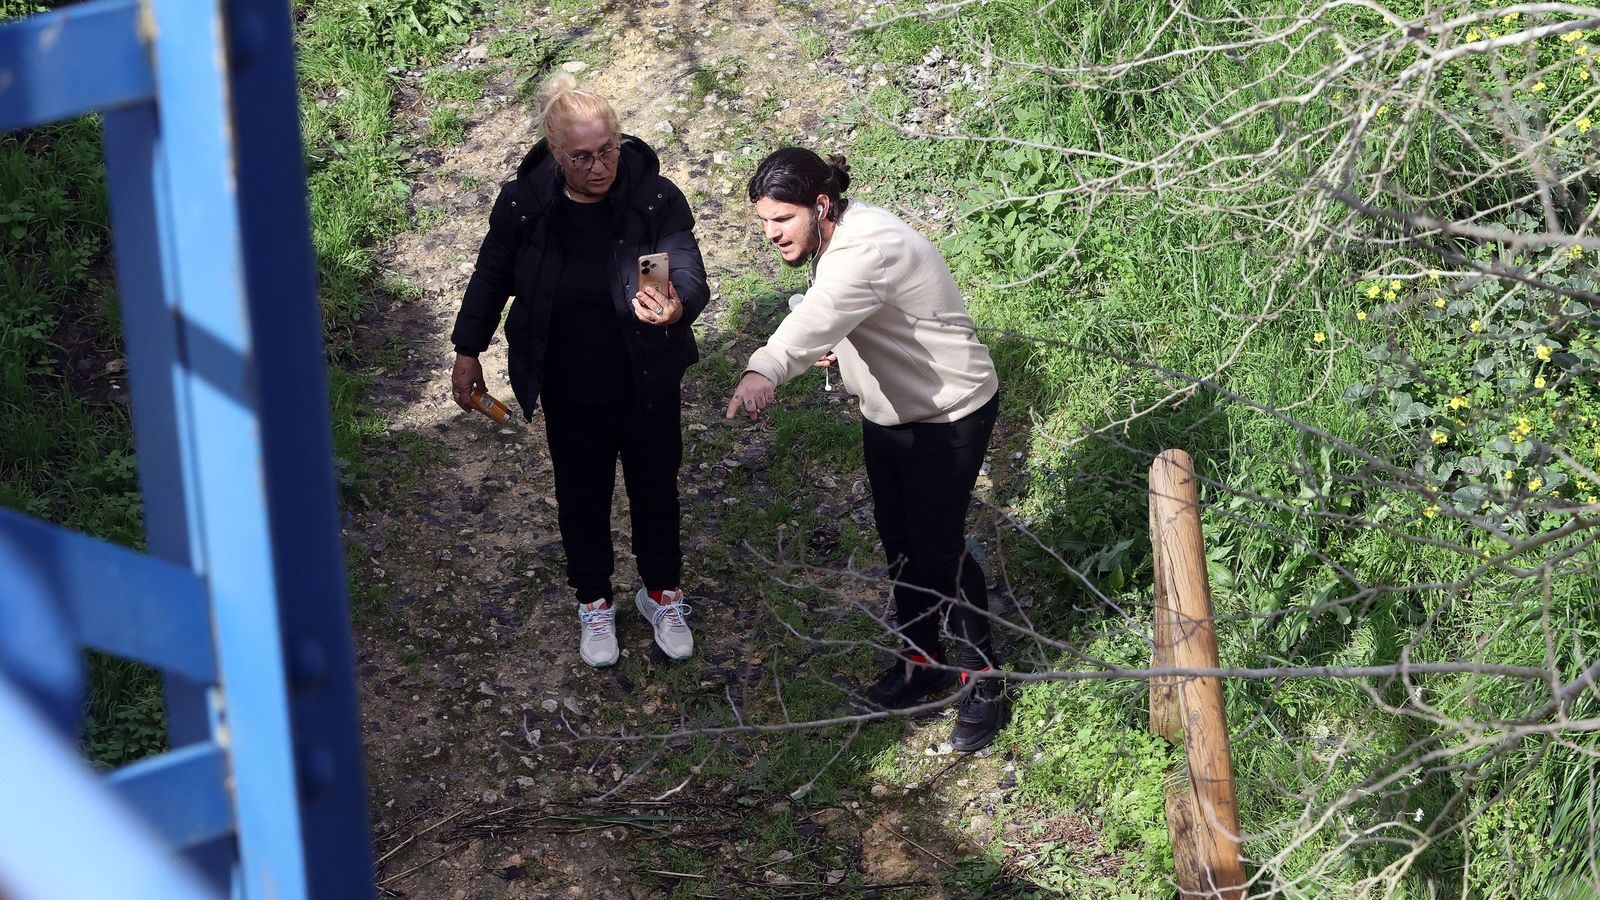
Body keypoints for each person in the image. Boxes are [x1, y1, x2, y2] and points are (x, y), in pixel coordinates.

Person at [726, 147, 1007, 752]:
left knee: (940, 550)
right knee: (900, 542)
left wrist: (764, 369)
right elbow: (848, 313)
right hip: (891, 413)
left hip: (948, 411)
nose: (771, 234)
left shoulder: (866, 247)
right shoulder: (839, 237)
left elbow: (822, 313)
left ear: (820, 205)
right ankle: (922, 661)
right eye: (764, 222)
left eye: (781, 220)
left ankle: (986, 683)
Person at [449, 73, 707, 668]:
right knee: (581, 496)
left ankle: (662, 593)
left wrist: (677, 305)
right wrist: (469, 350)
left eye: (608, 149)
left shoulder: (652, 198)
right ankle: (594, 601)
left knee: (655, 488)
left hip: (646, 378)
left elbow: (686, 267)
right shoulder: (525, 206)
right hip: (568, 384)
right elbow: (490, 279)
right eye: (583, 157)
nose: (600, 166)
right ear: (556, 154)